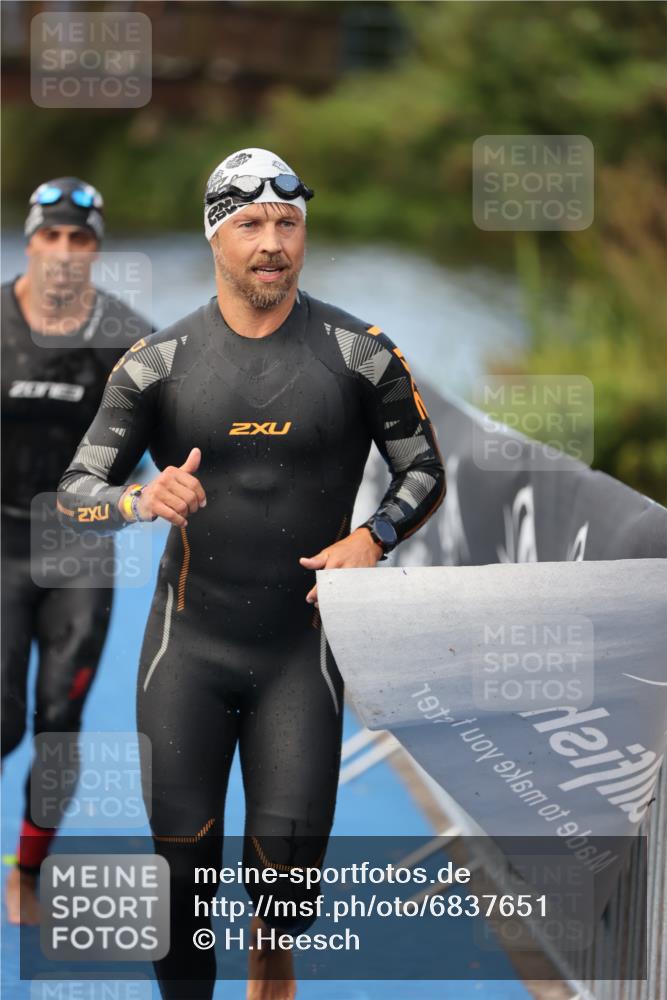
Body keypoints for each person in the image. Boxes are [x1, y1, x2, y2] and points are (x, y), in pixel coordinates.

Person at [57, 148, 445, 1000]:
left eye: (287, 223)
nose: (272, 242)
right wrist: (141, 498)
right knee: (183, 887)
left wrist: (373, 537)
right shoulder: (156, 363)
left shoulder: (360, 353)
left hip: (300, 655)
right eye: (250, 225)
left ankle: (272, 950)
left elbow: (425, 472)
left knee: (288, 886)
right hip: (187, 650)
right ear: (216, 238)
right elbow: (75, 492)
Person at [1, 177, 153, 924]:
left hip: (79, 547)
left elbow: (185, 444)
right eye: (51, 237)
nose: (64, 253)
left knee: (58, 721)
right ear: (31, 240)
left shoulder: (126, 339)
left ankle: (27, 873)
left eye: (80, 240)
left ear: (96, 251)